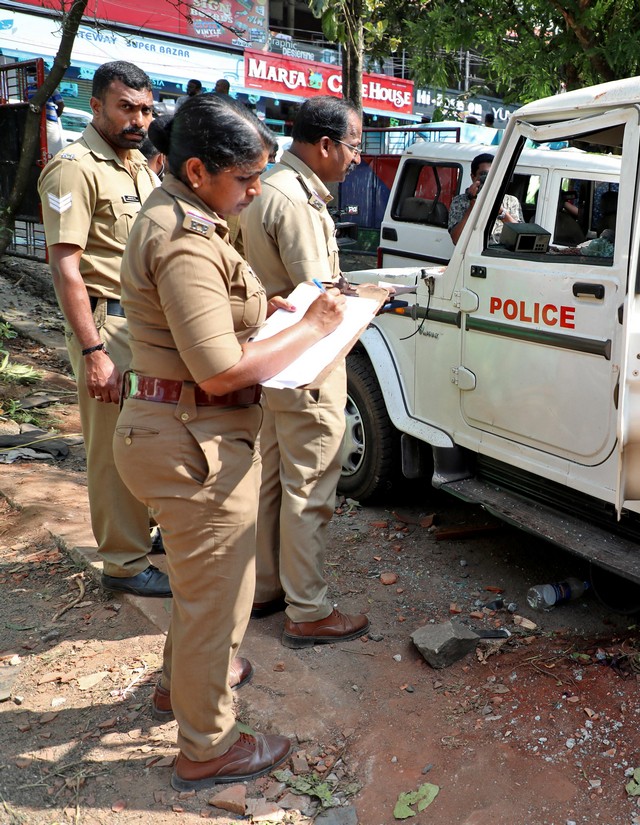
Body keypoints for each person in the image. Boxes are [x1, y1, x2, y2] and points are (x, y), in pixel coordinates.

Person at [113, 93, 346, 790]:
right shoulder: (183, 236)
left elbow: (208, 321)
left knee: (198, 584)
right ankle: (208, 743)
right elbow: (216, 371)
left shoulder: (188, 215)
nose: (253, 192)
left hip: (178, 432)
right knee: (219, 597)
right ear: (196, 168)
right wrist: (312, 327)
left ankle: (172, 688)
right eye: (244, 179)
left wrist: (268, 313)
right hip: (193, 441)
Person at [238, 96, 371, 648]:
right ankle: (308, 609)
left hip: (274, 360)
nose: (357, 159)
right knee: (311, 484)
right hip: (307, 364)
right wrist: (371, 298)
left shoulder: (268, 187)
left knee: (273, 479)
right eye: (355, 146)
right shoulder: (296, 202)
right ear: (324, 146)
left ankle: (267, 587)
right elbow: (320, 298)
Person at [36, 61, 169, 598]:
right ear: (95, 106)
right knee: (114, 444)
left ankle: (143, 532)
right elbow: (65, 266)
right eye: (126, 107)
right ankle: (123, 561)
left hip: (147, 322)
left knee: (149, 435)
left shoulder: (139, 165)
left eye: (145, 109)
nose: (139, 119)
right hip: (108, 324)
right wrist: (93, 349)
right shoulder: (74, 168)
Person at [448, 152, 522, 244]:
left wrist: (500, 211)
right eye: (484, 175)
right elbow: (456, 240)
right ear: (473, 177)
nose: (488, 179)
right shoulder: (459, 201)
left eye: (493, 175)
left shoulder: (511, 201)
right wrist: (473, 203)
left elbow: (521, 237)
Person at [27, 72, 65, 156]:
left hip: (44, 121)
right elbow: (61, 105)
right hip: (41, 121)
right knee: (52, 150)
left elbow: (61, 105)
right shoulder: (28, 90)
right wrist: (56, 115)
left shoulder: (51, 89)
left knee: (51, 150)